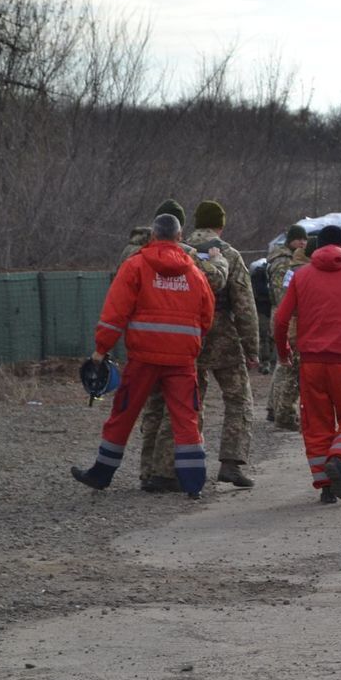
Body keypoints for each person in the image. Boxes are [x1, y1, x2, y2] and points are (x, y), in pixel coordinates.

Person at [72, 214, 216, 498]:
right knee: (186, 418)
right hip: (182, 359)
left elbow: (115, 314)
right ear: (179, 237)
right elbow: (207, 316)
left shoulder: (136, 265)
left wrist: (101, 349)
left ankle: (101, 474)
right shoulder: (195, 272)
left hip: (143, 356)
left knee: (123, 414)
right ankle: (193, 484)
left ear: (153, 235)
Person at [118, 198, 228, 494]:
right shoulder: (186, 256)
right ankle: (172, 473)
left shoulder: (132, 253)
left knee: (149, 409)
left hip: (141, 345)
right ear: (178, 232)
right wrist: (218, 260)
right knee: (182, 413)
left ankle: (147, 471)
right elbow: (211, 283)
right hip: (179, 348)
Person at [273, 225, 341, 504]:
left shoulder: (301, 276)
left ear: (316, 246)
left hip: (311, 364)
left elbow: (281, 319)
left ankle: (326, 487)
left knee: (317, 425)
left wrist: (283, 351)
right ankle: (340, 458)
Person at [266, 226, 310, 430]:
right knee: (285, 364)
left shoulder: (291, 259)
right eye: (299, 239)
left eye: (305, 240)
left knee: (282, 364)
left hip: (286, 314)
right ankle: (278, 408)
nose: (303, 243)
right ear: (290, 241)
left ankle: (275, 406)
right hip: (284, 315)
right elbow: (281, 293)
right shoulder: (284, 262)